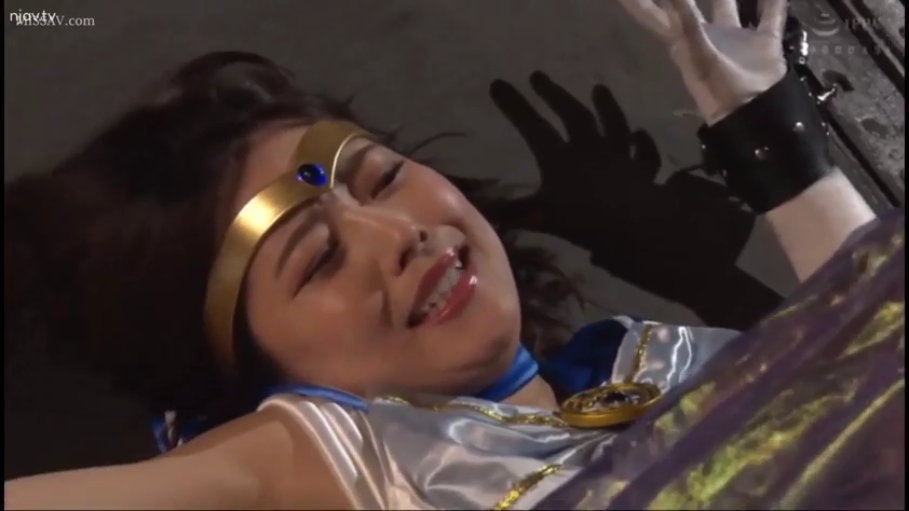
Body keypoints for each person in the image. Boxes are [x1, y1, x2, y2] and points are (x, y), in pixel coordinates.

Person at [4, 0, 881, 509]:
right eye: (316, 259)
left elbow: (885, 356)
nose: (401, 235)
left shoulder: (645, 359)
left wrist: (780, 154)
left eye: (384, 177)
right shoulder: (352, 460)